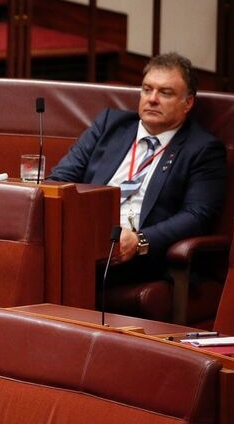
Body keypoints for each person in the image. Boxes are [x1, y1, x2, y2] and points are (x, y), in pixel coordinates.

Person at [48, 52, 227, 290]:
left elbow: (197, 215)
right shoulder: (110, 126)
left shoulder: (202, 149)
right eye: (146, 89)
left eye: (165, 93)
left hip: (141, 256)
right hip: (85, 234)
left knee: (57, 267)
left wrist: (141, 240)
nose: (152, 99)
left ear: (188, 103)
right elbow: (60, 179)